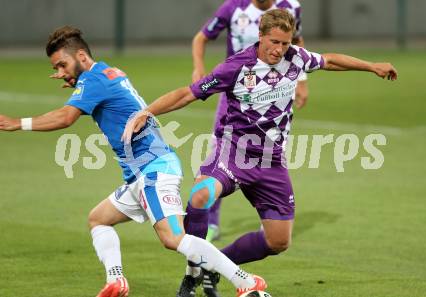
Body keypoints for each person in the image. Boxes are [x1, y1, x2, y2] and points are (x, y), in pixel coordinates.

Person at [123, 9, 397, 297]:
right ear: (261, 36)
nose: (280, 49)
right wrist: (147, 111)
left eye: (285, 43)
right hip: (234, 153)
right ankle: (192, 272)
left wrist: (371, 66)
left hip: (272, 161)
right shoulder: (236, 67)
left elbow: (329, 60)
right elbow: (188, 93)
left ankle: (213, 267)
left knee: (279, 241)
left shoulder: (296, 57)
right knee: (201, 195)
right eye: (274, 42)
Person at [0, 26, 268, 297]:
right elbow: (106, 107)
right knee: (99, 219)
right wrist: (77, 84)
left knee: (173, 238)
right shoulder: (106, 73)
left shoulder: (94, 80)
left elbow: (65, 117)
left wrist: (16, 123)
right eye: (56, 67)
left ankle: (245, 280)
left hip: (154, 171)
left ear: (81, 56)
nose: (60, 72)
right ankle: (116, 280)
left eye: (62, 64)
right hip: (141, 175)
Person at [192, 0, 308, 243]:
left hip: (275, 87)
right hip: (237, 90)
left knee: (272, 147)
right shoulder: (233, 8)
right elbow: (201, 37)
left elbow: (297, 42)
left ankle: (268, 211)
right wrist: (198, 67)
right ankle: (211, 222)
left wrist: (302, 81)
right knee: (220, 154)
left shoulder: (290, 7)